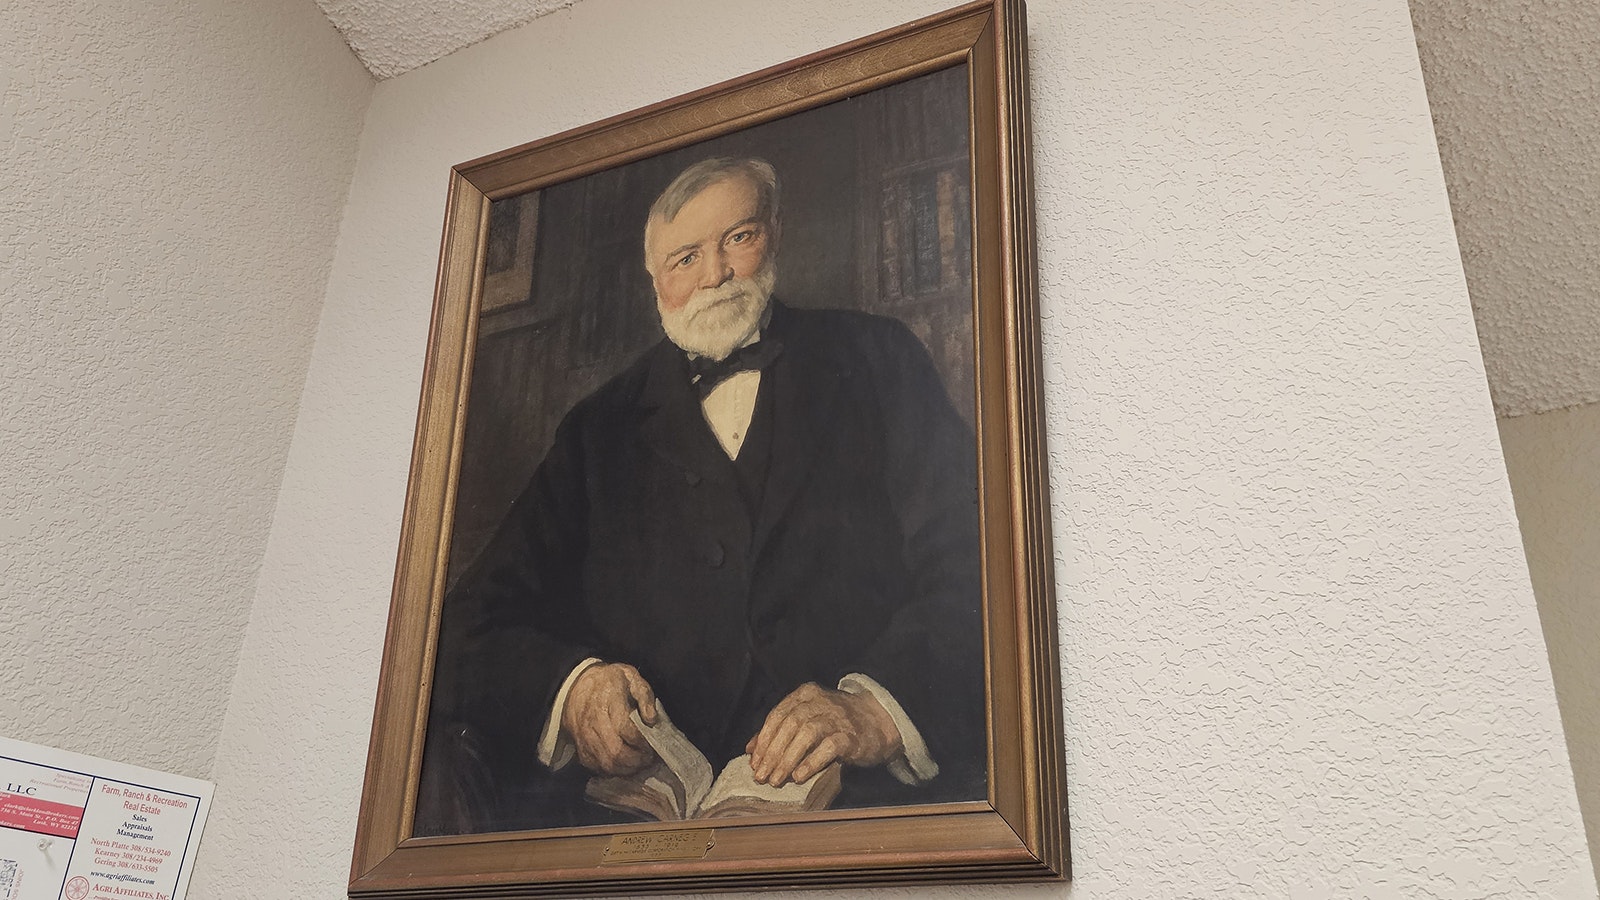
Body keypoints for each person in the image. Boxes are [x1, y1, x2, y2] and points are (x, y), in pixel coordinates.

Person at [422, 157, 985, 833]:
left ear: (775, 233)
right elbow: (462, 627)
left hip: (860, 811)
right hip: (632, 820)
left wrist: (879, 711)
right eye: (686, 257)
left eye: (738, 239)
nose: (715, 275)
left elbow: (978, 561)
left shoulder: (878, 358)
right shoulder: (597, 428)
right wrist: (573, 692)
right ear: (655, 280)